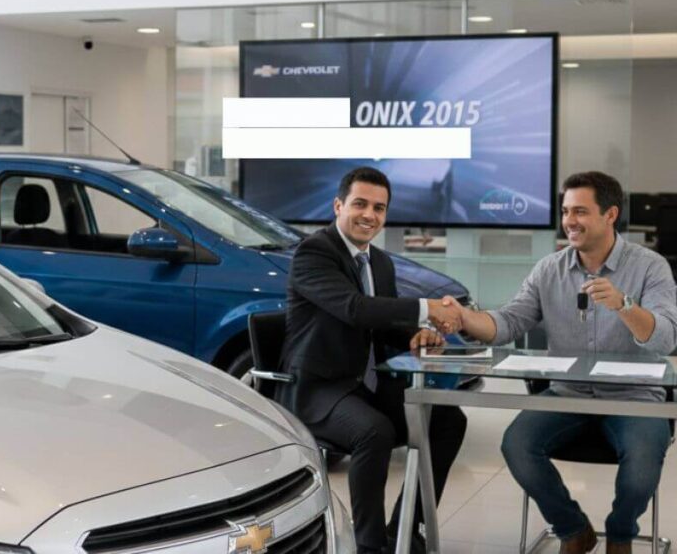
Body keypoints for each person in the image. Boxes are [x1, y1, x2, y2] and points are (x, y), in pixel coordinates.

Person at [439, 171, 677, 554]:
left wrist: (624, 305)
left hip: (635, 397)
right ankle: (573, 529)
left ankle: (619, 536)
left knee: (644, 460)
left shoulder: (650, 267)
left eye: (580, 211)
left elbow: (666, 337)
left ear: (610, 214)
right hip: (567, 394)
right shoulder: (550, 269)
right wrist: (465, 318)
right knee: (517, 444)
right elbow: (509, 322)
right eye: (566, 211)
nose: (569, 221)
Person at [276, 166, 467, 553]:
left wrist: (416, 335)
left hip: (366, 387)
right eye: (360, 204)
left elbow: (382, 326)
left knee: (447, 419)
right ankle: (370, 545)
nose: (369, 215)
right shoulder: (315, 252)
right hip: (318, 390)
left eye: (379, 208)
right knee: (374, 431)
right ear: (338, 205)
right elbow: (354, 309)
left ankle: (404, 529)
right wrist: (426, 309)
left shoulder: (380, 262)